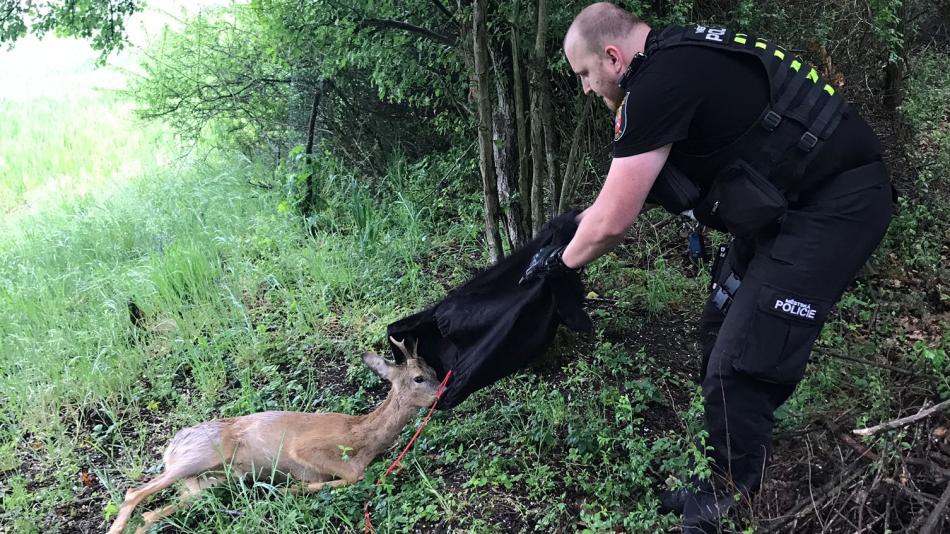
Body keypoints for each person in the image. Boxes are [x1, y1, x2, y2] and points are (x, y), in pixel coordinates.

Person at [520, 2, 895, 531]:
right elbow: (626, 194)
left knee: (740, 360)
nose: (585, 88)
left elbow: (611, 224)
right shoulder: (676, 56)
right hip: (785, 203)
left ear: (612, 56)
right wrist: (566, 232)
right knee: (719, 325)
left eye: (584, 74)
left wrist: (556, 267)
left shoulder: (658, 84)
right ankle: (716, 464)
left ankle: (728, 498)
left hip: (836, 208)